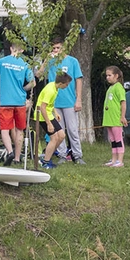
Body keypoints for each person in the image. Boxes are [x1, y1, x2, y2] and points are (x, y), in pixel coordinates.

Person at [0, 40, 34, 166]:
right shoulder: (25, 65)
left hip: (6, 101)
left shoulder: (1, 62)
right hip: (20, 101)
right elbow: (33, 83)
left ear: (11, 48)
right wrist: (23, 89)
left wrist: (0, 85)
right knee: (20, 129)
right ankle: (16, 157)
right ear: (21, 50)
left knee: (5, 129)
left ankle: (9, 151)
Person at [47, 35, 83, 164]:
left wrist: (78, 99)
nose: (56, 50)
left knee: (72, 129)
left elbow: (78, 79)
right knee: (59, 130)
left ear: (63, 48)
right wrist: (46, 60)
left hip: (69, 101)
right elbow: (38, 74)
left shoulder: (72, 61)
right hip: (54, 102)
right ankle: (62, 154)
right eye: (54, 48)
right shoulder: (50, 61)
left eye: (58, 48)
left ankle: (77, 155)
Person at [34, 72, 70, 170]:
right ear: (61, 83)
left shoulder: (55, 87)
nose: (67, 86)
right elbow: (42, 107)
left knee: (62, 135)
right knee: (54, 138)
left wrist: (56, 112)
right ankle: (45, 162)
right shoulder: (50, 90)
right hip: (42, 116)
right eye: (67, 84)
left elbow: (50, 103)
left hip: (49, 114)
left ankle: (47, 155)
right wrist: (49, 124)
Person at [102, 65, 127, 167]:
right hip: (109, 119)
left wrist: (122, 116)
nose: (107, 77)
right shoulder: (110, 88)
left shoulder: (119, 87)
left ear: (116, 76)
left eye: (109, 75)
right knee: (112, 140)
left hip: (116, 118)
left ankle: (120, 161)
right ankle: (113, 159)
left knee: (118, 139)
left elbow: (123, 103)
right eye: (106, 75)